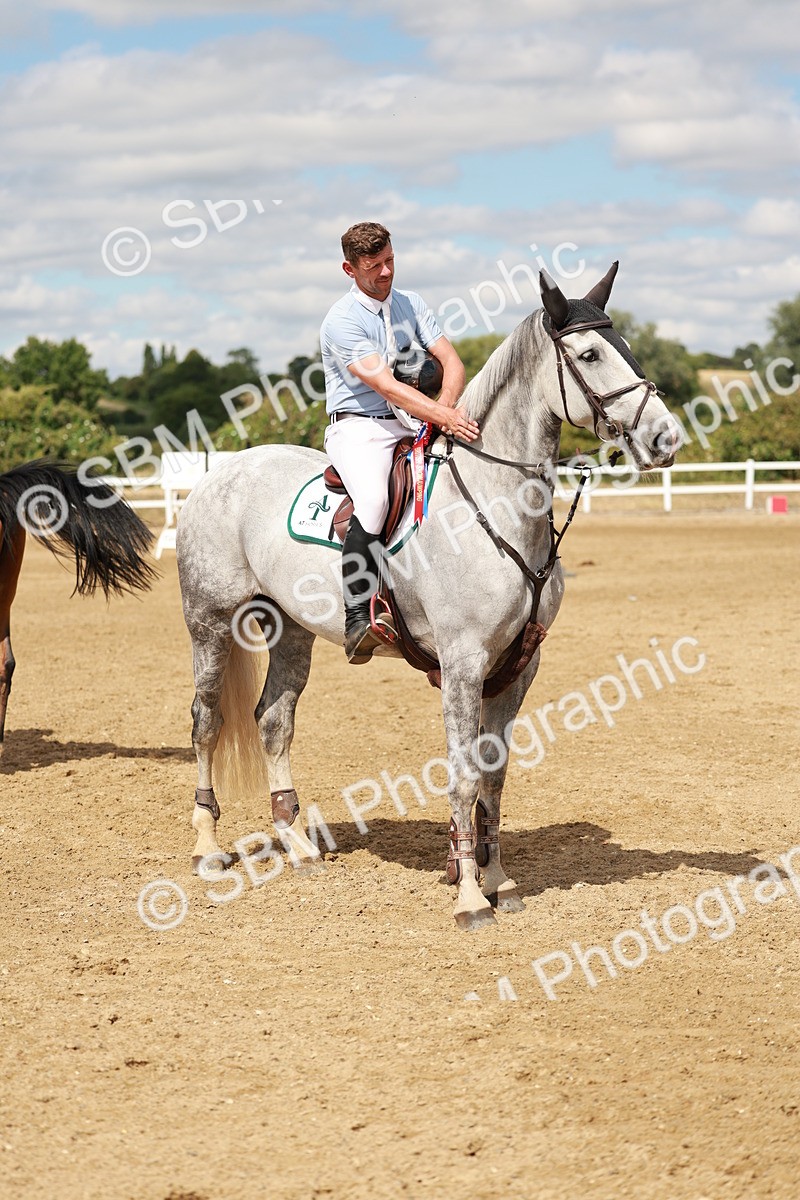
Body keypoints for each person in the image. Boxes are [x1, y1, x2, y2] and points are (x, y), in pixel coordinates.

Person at [321, 222, 480, 664]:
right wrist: (442, 415)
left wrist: (446, 407)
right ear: (349, 269)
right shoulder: (341, 321)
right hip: (359, 426)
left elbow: (451, 361)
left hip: (414, 419)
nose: (386, 273)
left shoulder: (413, 304)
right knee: (372, 501)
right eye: (373, 267)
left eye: (390, 260)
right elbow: (386, 386)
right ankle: (357, 617)